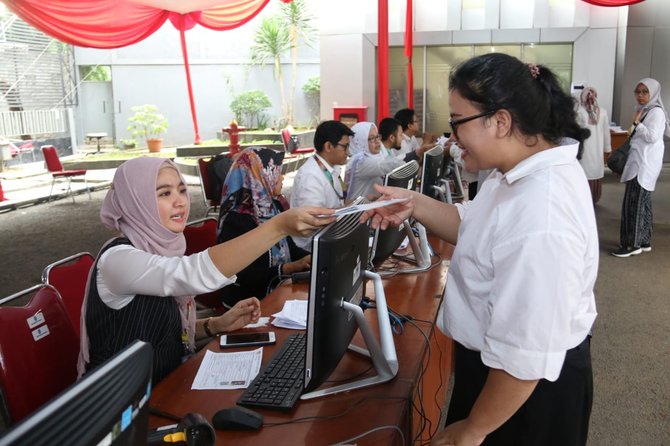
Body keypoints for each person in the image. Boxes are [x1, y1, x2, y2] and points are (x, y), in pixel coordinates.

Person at [362, 53, 597, 446]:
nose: (452, 137)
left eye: (457, 122)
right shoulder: (515, 175)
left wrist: (472, 431)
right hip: (501, 374)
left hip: (523, 393)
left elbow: (525, 357)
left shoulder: (542, 215)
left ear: (501, 121)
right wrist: (413, 204)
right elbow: (474, 226)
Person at [78, 157, 333, 384]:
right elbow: (191, 274)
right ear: (136, 201)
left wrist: (215, 324)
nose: (180, 202)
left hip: (163, 385)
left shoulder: (159, 248)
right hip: (118, 404)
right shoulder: (118, 260)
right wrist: (278, 227)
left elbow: (163, 332)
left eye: (181, 190)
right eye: (164, 194)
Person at [217, 147, 311, 304]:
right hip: (247, 304)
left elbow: (290, 247)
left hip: (277, 290)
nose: (281, 177)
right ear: (259, 175)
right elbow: (244, 276)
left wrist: (309, 258)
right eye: (275, 171)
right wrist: (289, 268)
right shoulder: (236, 219)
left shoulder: (273, 206)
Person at [612, 78, 669, 258]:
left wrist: (637, 124)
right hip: (640, 161)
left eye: (645, 92)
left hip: (643, 164)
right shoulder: (644, 110)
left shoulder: (656, 112)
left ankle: (631, 245)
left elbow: (652, 137)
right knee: (642, 203)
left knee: (633, 204)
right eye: (638, 92)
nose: (641, 96)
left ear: (653, 93)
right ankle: (643, 241)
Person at [289, 120, 353, 250]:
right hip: (311, 249)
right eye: (345, 147)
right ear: (329, 146)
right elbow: (313, 222)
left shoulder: (329, 169)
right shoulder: (310, 176)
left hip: (329, 239)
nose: (348, 152)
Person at [344, 121, 407, 201]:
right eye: (372, 138)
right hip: (359, 211)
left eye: (377, 137)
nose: (378, 141)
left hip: (368, 208)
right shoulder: (360, 161)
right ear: (360, 141)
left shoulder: (373, 156)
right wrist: (414, 155)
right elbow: (388, 165)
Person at [576, 86, 611, 204]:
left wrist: (607, 149)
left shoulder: (578, 112)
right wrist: (607, 149)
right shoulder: (601, 112)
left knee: (587, 173)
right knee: (590, 172)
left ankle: (585, 200)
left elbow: (606, 132)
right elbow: (607, 134)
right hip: (592, 150)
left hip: (588, 150)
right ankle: (591, 199)